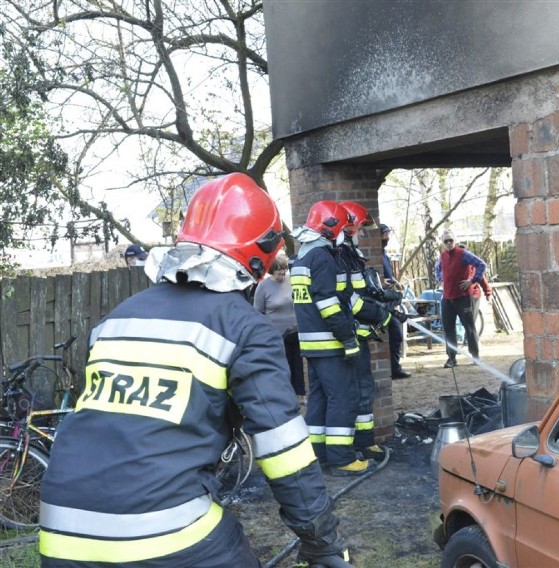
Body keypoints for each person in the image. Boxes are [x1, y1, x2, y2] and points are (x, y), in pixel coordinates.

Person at [39, 173, 350, 567]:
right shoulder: (243, 327)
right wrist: (322, 544)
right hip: (157, 529)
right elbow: (283, 449)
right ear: (264, 253)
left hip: (61, 531)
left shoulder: (117, 318)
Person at [291, 200, 375, 477]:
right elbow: (328, 304)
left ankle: (317, 455)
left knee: (319, 400)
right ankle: (341, 459)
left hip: (311, 345)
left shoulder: (302, 257)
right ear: (331, 229)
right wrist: (348, 339)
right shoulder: (323, 258)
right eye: (343, 228)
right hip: (330, 343)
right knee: (343, 398)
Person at [338, 202, 394, 462]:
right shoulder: (341, 257)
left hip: (358, 335)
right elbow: (351, 301)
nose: (363, 235)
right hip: (349, 338)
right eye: (360, 229)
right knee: (357, 391)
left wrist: (382, 296)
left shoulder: (351, 256)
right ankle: (355, 446)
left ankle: (365, 442)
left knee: (365, 389)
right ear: (348, 229)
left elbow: (362, 291)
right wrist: (380, 313)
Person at [254, 254, 305, 397]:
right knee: (284, 367)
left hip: (295, 333)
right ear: (271, 270)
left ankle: (300, 396)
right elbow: (258, 312)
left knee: (298, 368)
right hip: (278, 336)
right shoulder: (263, 286)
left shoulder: (290, 281)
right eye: (278, 270)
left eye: (284, 269)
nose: (282, 273)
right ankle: (284, 395)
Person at [434, 229, 487, 368]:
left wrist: (472, 280)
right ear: (442, 243)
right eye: (446, 241)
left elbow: (481, 264)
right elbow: (437, 269)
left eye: (451, 240)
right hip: (447, 298)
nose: (449, 243)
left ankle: (475, 357)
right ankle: (451, 358)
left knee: (469, 327)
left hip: (463, 297)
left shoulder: (463, 254)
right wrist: (441, 279)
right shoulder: (443, 256)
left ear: (454, 241)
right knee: (448, 328)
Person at [380, 224, 411, 379]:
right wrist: (384, 283)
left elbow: (388, 276)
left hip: (389, 301)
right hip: (381, 303)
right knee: (395, 333)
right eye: (385, 235)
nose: (388, 238)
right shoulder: (376, 255)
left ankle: (395, 368)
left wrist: (395, 282)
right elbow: (378, 279)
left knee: (396, 335)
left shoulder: (384, 254)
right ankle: (394, 369)